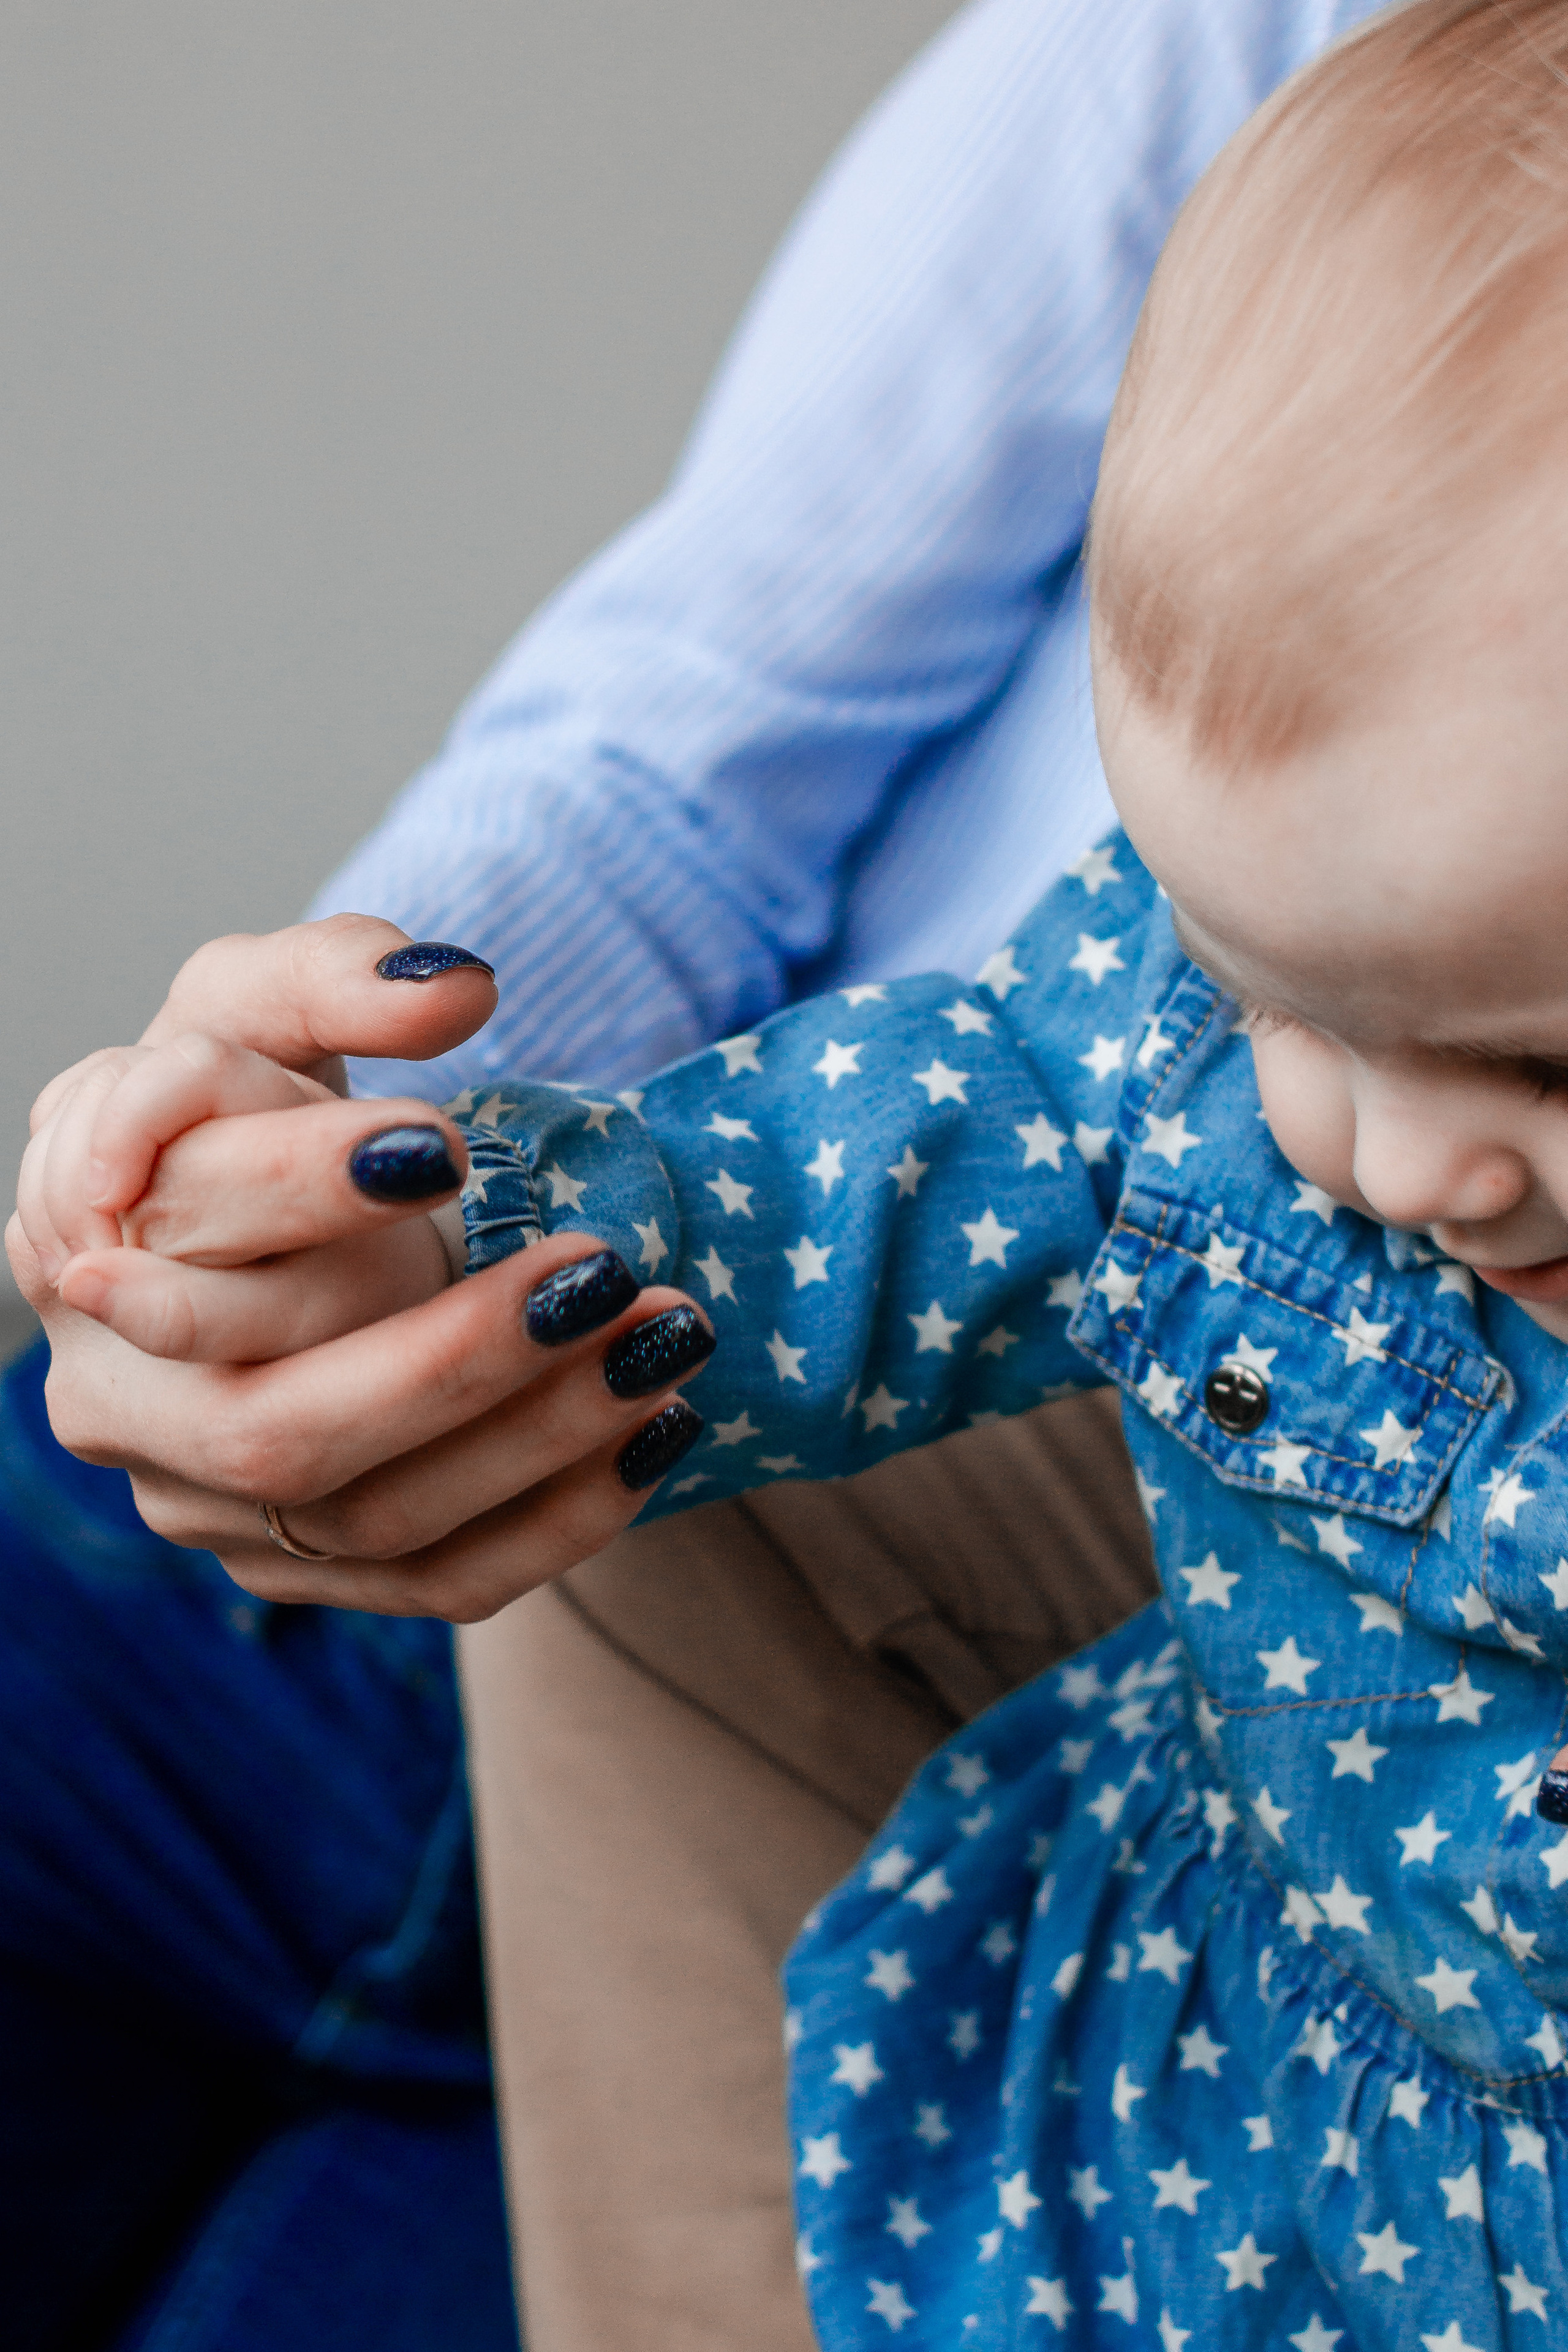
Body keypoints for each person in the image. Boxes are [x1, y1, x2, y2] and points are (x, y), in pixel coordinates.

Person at [34, 1, 1568, 2343]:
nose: (1378, 1153)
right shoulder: (1159, 1056)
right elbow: (803, 1092)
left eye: (1532, 1058)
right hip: (1156, 2170)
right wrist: (393, 1203)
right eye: (1266, 998)